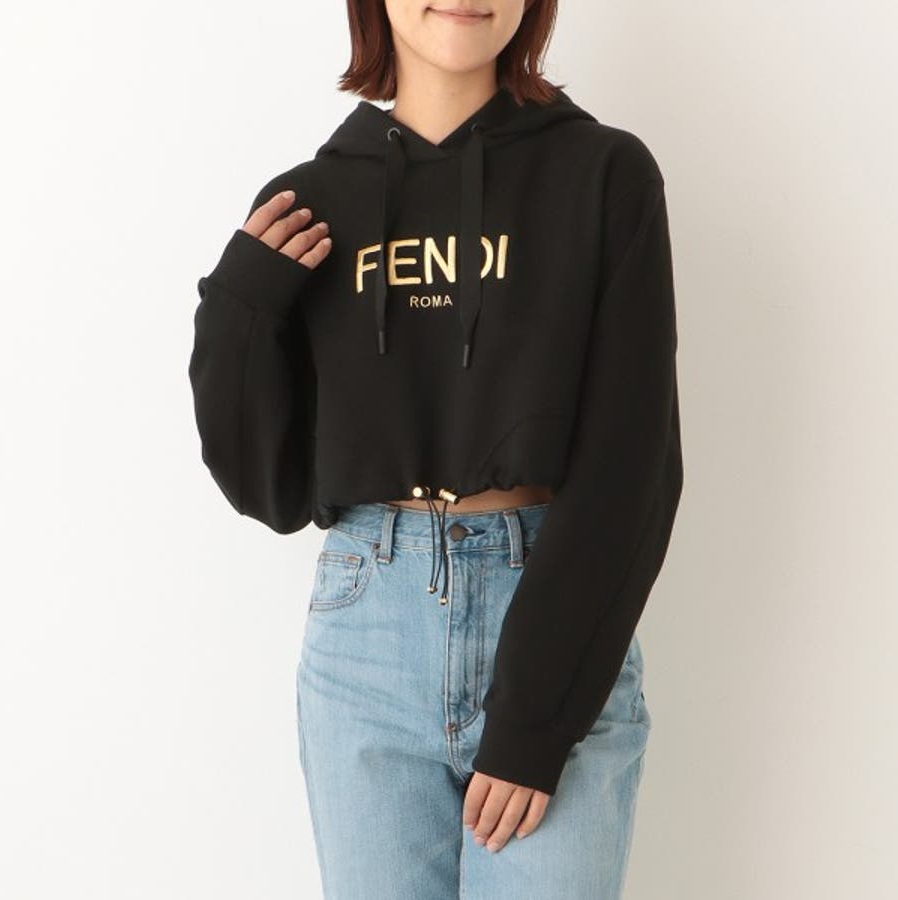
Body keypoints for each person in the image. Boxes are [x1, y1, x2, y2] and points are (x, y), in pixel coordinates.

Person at [188, 1, 683, 896]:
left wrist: (536, 719)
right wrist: (239, 311)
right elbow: (272, 491)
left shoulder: (604, 174)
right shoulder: (309, 202)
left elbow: (633, 468)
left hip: (553, 616)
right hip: (365, 641)